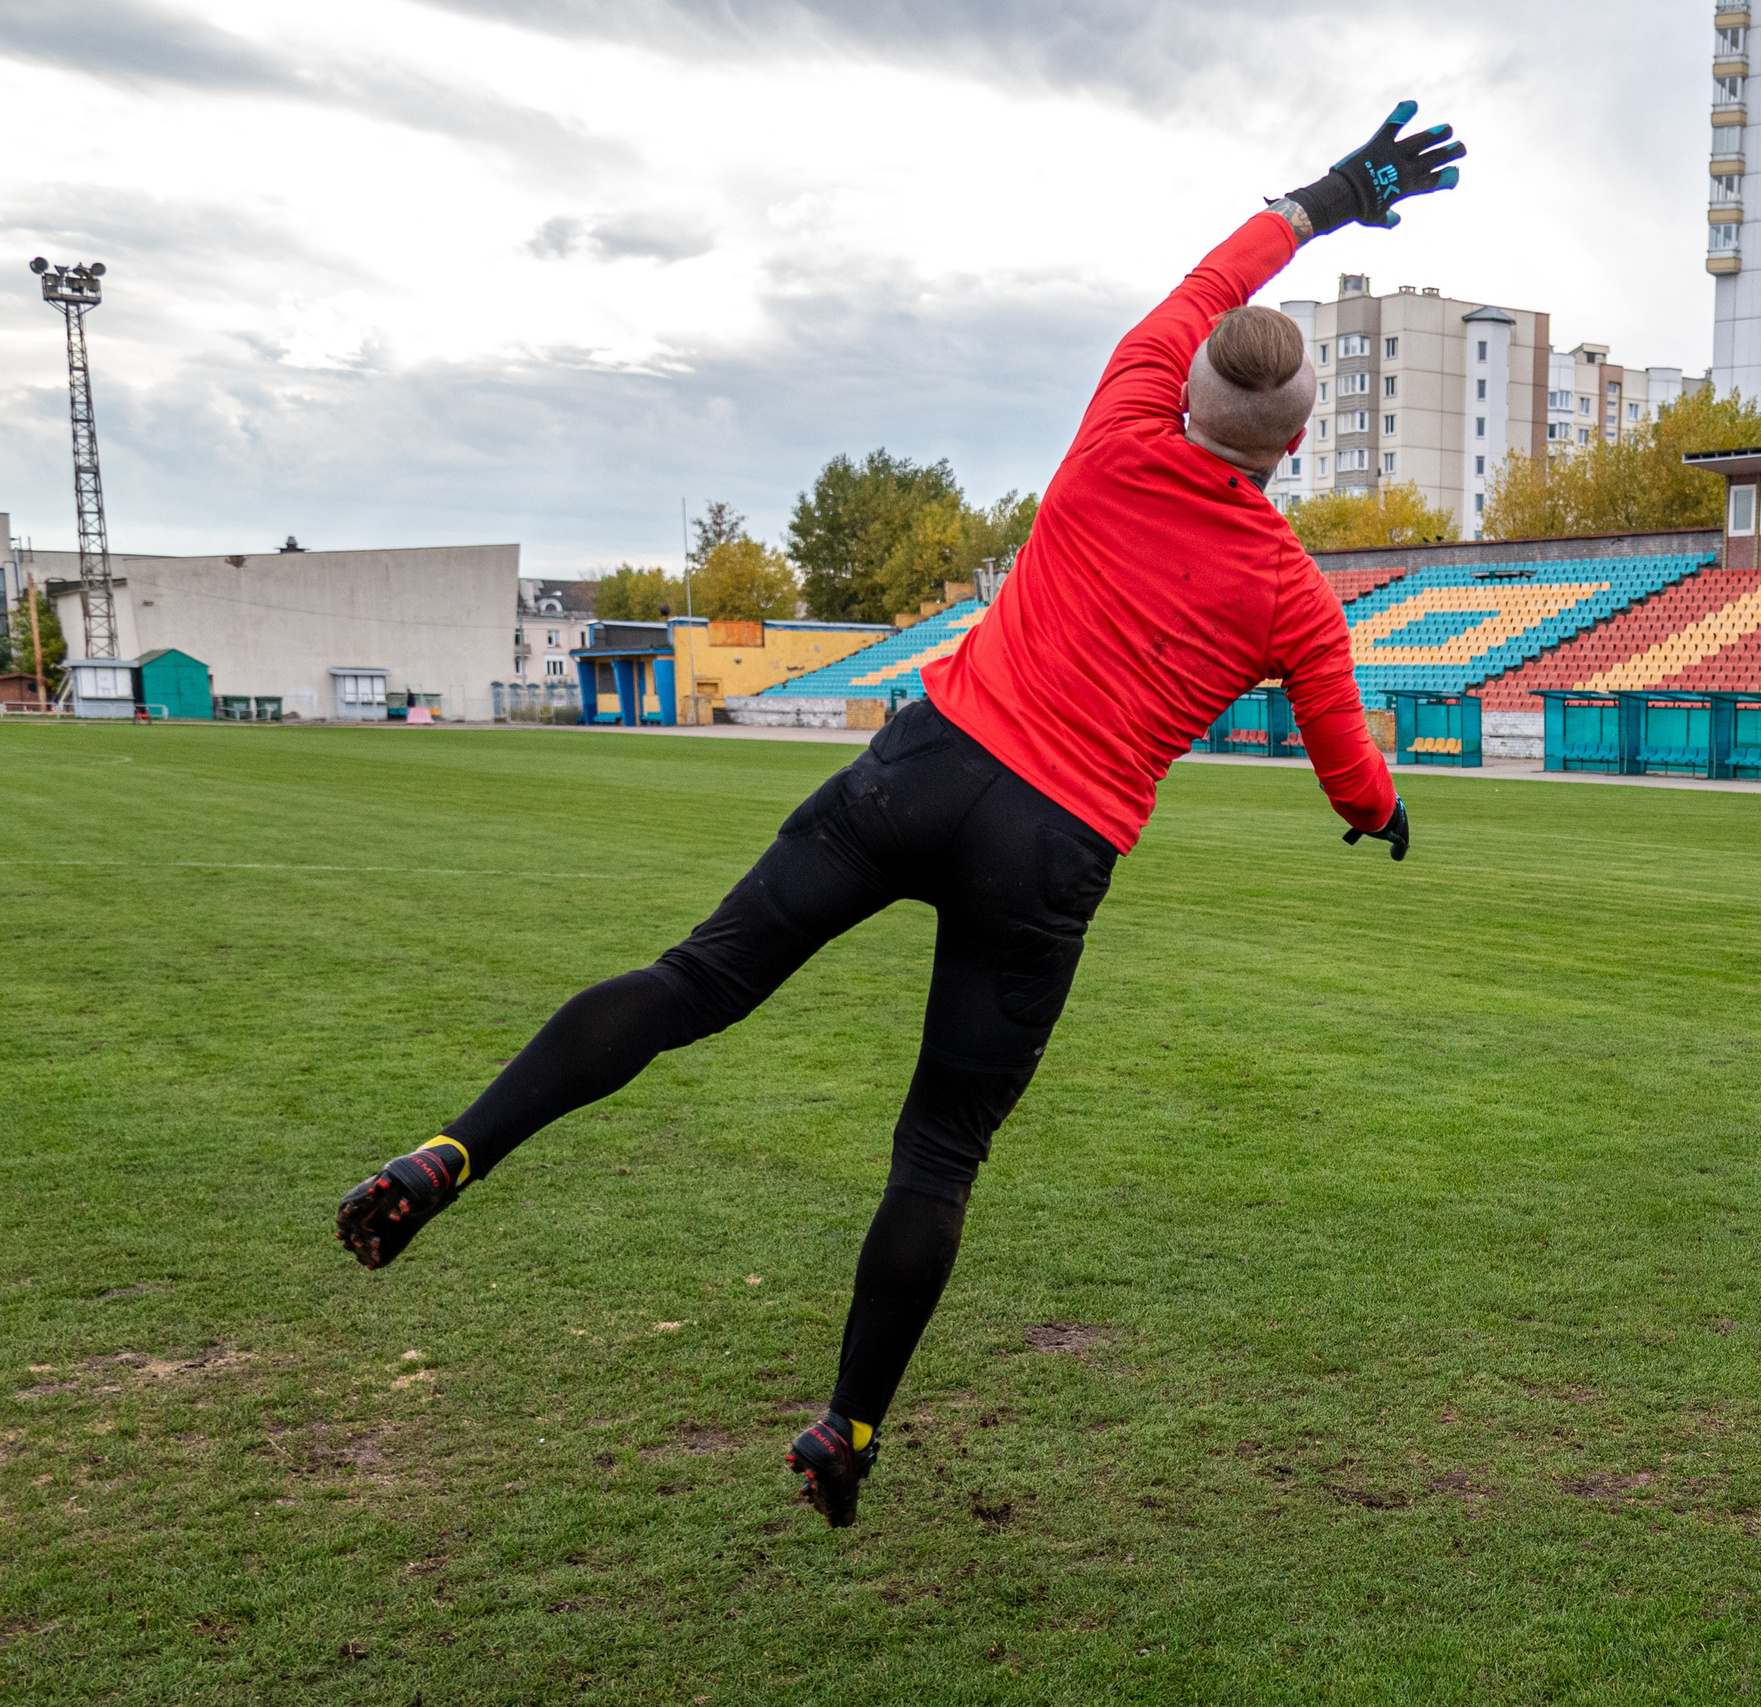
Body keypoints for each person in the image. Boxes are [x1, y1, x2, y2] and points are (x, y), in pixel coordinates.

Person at [332, 102, 1463, 1527]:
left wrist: (1329, 197)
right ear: (1291, 452)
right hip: (1053, 848)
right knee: (938, 1151)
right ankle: (845, 1429)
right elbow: (1342, 748)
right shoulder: (1293, 589)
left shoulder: (1122, 415)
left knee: (693, 983)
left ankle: (450, 1153)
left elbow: (1205, 284)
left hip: (923, 768)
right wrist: (1379, 813)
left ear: (1186, 396)